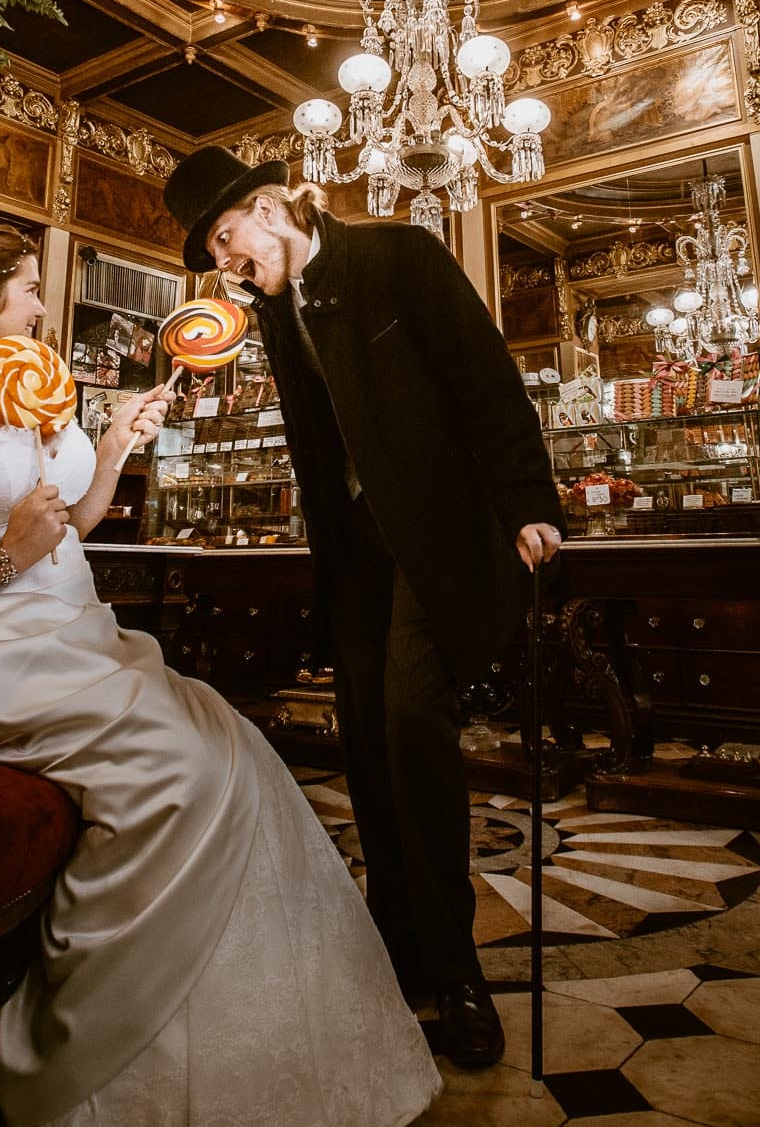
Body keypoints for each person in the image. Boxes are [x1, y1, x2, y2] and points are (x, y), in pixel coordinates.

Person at [0, 214, 439, 1127]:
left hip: (58, 639)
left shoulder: (19, 408)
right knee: (181, 765)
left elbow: (67, 529)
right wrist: (5, 557)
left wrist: (102, 455)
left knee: (236, 750)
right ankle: (52, 1056)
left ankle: (253, 1076)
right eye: (23, 288)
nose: (40, 307)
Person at [162, 149, 565, 1068]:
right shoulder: (270, 312)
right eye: (215, 249)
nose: (225, 259)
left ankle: (458, 971)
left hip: (435, 536)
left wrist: (529, 502)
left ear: (270, 208)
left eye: (227, 237)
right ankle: (401, 949)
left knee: (410, 720)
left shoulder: (398, 256)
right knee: (366, 742)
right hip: (356, 560)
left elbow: (484, 380)